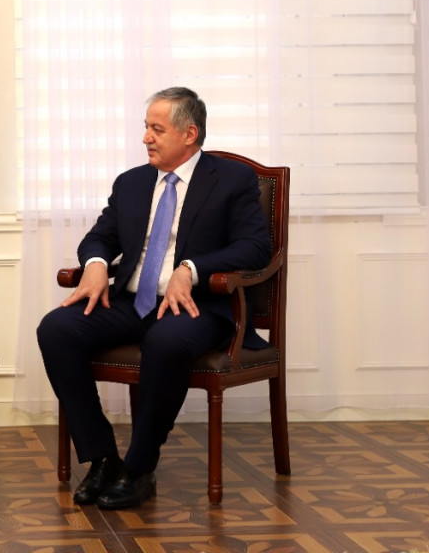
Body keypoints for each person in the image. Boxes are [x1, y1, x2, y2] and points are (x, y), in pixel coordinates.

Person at [36, 87, 270, 509]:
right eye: (146, 127)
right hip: (131, 302)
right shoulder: (132, 182)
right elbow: (100, 237)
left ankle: (139, 468)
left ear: (189, 134)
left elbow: (255, 247)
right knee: (56, 328)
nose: (146, 137)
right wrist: (95, 264)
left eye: (156, 129)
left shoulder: (232, 180)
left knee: (166, 341)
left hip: (196, 306)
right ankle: (102, 458)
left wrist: (191, 269)